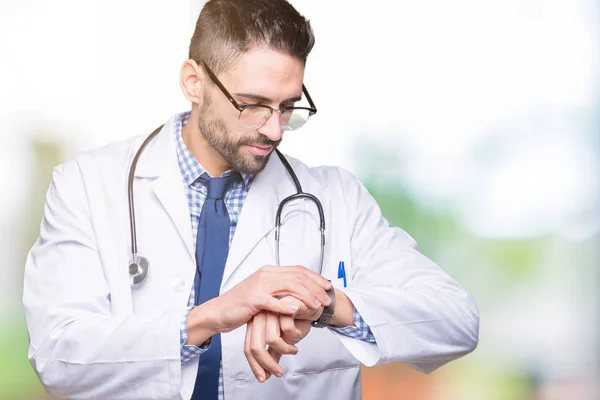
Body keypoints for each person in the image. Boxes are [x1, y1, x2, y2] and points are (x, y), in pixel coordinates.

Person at [22, 0, 479, 399]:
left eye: (288, 107)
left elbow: (456, 320)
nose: (274, 129)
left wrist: (325, 306)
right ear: (193, 82)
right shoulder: (86, 185)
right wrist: (209, 318)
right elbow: (58, 356)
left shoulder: (337, 198)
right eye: (253, 104)